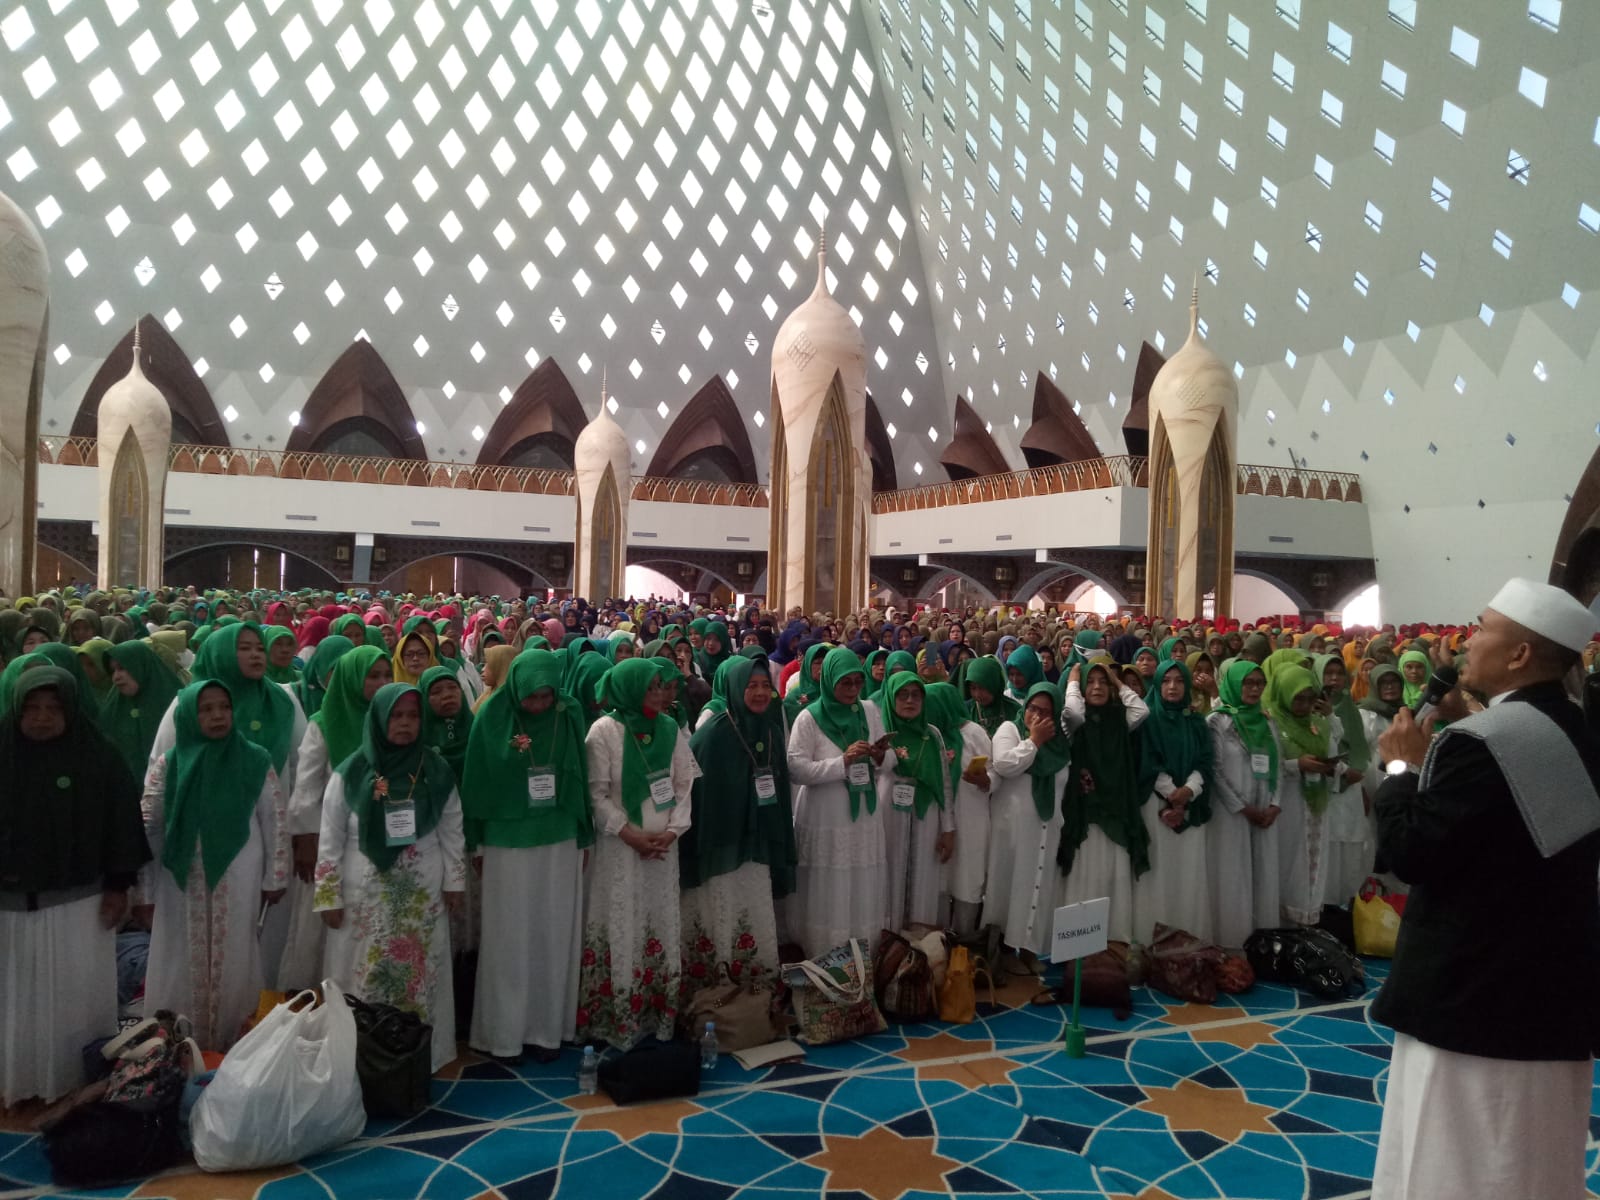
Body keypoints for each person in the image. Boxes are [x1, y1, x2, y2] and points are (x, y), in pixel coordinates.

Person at [1371, 580, 1600, 1200]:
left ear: (1520, 654)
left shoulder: (1482, 746)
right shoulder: (1573, 727)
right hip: (1547, 992)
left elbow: (1410, 853)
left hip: (1470, 996)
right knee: (1533, 1158)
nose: (1467, 643)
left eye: (1482, 629)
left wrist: (1401, 767)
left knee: (1458, 1161)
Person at [0, 669, 148, 1106]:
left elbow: (121, 825)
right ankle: (18, 1084)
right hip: (8, 910)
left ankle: (74, 1087)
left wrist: (118, 886)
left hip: (79, 906)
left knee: (72, 1001)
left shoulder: (98, 757)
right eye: (31, 708)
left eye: (53, 708)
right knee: (16, 1000)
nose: (42, 718)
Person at [314, 684, 465, 1072]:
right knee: (362, 967)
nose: (405, 724)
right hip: (363, 893)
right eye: (396, 716)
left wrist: (455, 882)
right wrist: (328, 895)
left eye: (413, 716)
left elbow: (452, 829)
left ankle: (421, 1055)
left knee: (420, 970)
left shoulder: (435, 770)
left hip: (421, 894)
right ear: (379, 720)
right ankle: (361, 1056)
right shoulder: (351, 773)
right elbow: (329, 838)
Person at [142, 679, 289, 1051]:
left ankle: (232, 1042)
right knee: (180, 950)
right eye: (206, 709)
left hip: (239, 871)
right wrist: (144, 888)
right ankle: (179, 1041)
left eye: (224, 707)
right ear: (189, 716)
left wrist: (275, 876)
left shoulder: (254, 759)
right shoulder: (171, 763)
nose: (217, 716)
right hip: (181, 876)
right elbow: (149, 824)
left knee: (236, 948)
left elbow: (274, 818)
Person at [463, 651, 593, 1064]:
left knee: (553, 934)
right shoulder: (493, 716)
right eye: (531, 697)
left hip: (560, 837)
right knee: (509, 937)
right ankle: (505, 1036)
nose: (538, 705)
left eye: (545, 696)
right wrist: (476, 843)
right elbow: (476, 781)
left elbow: (580, 775)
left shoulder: (568, 714)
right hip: (506, 843)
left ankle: (547, 1032)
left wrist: (584, 836)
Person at [578, 658, 695, 1049]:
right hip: (620, 850)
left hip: (662, 850)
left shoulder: (669, 728)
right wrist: (629, 834)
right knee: (622, 917)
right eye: (650, 687)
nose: (659, 694)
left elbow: (684, 784)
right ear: (628, 689)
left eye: (661, 686)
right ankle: (617, 1016)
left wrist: (674, 831)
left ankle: (656, 1015)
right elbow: (596, 794)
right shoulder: (604, 732)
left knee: (656, 918)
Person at [680, 653, 795, 987]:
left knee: (753, 904)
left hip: (757, 844)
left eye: (765, 686)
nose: (760, 693)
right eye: (751, 686)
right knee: (723, 908)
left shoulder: (771, 731)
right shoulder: (712, 735)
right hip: (722, 845)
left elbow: (780, 790)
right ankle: (718, 987)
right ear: (734, 688)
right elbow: (696, 796)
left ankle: (754, 985)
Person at [279, 645, 389, 991]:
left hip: (376, 840)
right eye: (373, 676)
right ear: (351, 679)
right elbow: (307, 788)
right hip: (327, 841)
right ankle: (315, 999)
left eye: (387, 675)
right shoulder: (324, 723)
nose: (383, 683)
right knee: (320, 928)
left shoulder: (392, 720)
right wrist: (306, 839)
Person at [784, 646, 890, 955]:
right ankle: (825, 953)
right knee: (829, 882)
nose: (853, 689)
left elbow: (888, 760)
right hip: (826, 816)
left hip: (864, 815)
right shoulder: (809, 717)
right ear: (830, 680)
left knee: (860, 880)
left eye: (858, 682)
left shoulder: (868, 710)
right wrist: (841, 762)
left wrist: (880, 755)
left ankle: (861, 953)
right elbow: (796, 769)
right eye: (845, 683)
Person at [1058, 663, 1150, 943]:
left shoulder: (1119, 719)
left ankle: (1114, 942)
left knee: (1114, 874)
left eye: (1103, 682)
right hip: (1085, 812)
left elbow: (1142, 710)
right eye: (1091, 682)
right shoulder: (1075, 723)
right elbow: (1073, 711)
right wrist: (1073, 681)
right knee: (1085, 874)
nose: (1097, 687)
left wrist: (1117, 681)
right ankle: (1079, 945)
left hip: (1116, 809)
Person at [981, 681, 1072, 964]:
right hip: (1012, 831)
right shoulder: (1010, 730)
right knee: (1009, 886)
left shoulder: (1061, 746)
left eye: (1046, 712)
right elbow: (1005, 765)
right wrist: (1034, 741)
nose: (1037, 716)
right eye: (1033, 708)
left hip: (1046, 829)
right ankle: (1002, 951)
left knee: (1038, 887)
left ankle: (1031, 950)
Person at [1132, 659, 1214, 941]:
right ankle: (1152, 941)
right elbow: (1146, 760)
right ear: (1157, 684)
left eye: (1179, 681)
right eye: (1166, 681)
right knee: (1159, 871)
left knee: (1187, 872)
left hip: (1190, 804)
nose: (1173, 686)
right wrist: (1171, 792)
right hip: (1156, 805)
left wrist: (1189, 790)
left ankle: (1188, 939)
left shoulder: (1196, 721)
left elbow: (1206, 760)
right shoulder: (1147, 720)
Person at [1205, 661, 1281, 946]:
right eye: (1247, 683)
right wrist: (1242, 807)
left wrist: (1275, 804)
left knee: (1262, 874)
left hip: (1263, 809)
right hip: (1231, 813)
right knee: (1232, 874)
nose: (1254, 689)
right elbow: (1214, 770)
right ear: (1234, 684)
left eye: (1259, 683)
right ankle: (1232, 942)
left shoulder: (1266, 720)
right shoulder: (1218, 721)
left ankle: (1263, 942)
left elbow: (1277, 764)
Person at [1266, 664, 1343, 926]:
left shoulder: (1318, 724)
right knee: (1289, 860)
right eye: (1298, 698)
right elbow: (1268, 764)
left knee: (1313, 860)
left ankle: (1306, 921)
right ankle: (1281, 924)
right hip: (1287, 802)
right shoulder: (1271, 722)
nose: (1304, 705)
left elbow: (1333, 752)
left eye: (1310, 699)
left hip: (1316, 802)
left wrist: (1331, 767)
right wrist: (1296, 764)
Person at [879, 671, 956, 930]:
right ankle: (889, 941)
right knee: (889, 874)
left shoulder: (932, 735)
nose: (910, 701)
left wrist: (948, 828)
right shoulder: (881, 732)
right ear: (891, 699)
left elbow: (944, 782)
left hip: (927, 816)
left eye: (915, 695)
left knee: (923, 875)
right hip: (889, 814)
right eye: (902, 695)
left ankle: (920, 942)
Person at [923, 681, 989, 935]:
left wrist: (985, 779)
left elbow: (994, 771)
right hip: (938, 821)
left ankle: (964, 939)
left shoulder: (974, 733)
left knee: (967, 877)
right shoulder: (928, 733)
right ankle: (937, 940)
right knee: (939, 879)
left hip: (972, 817)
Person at [100, 640, 183, 782]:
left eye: (122, 668)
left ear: (141, 666)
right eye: (113, 671)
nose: (116, 677)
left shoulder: (176, 703)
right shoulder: (113, 708)